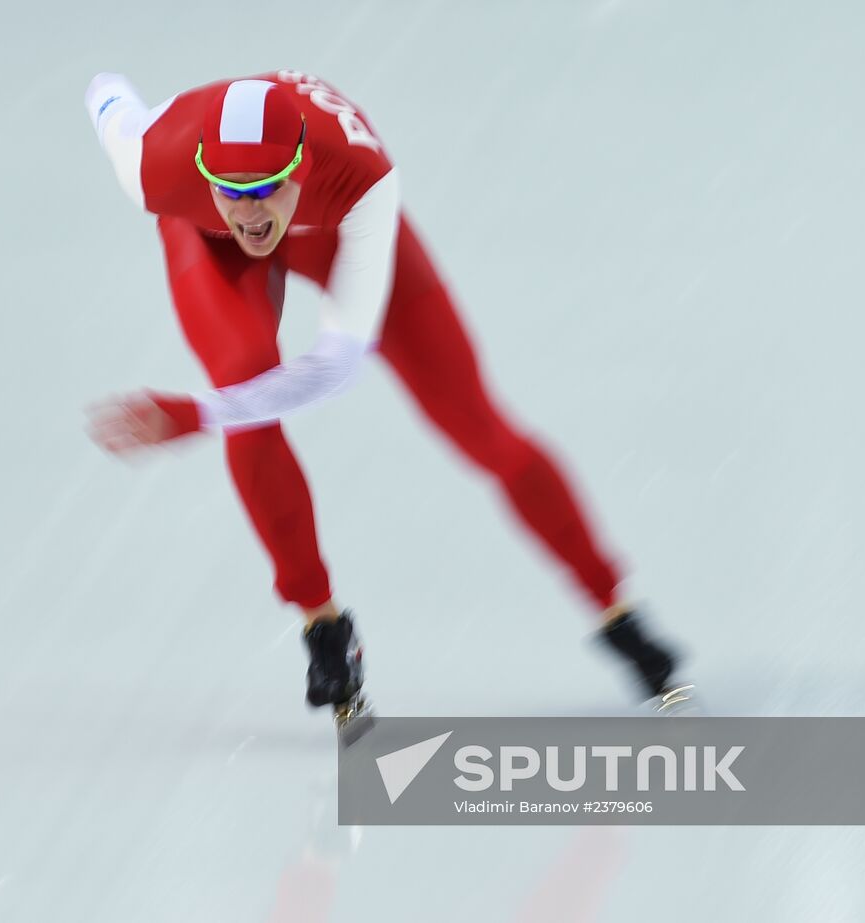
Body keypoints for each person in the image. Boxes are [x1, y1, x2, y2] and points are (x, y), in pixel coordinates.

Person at [81, 70, 693, 733]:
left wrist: (197, 414)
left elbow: (337, 364)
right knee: (246, 382)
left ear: (302, 165)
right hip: (209, 249)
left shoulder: (363, 182)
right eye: (233, 191)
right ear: (204, 171)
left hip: (338, 228)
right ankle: (322, 624)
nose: (253, 213)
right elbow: (106, 95)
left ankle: (615, 608)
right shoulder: (153, 164)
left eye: (267, 189)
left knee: (481, 429)